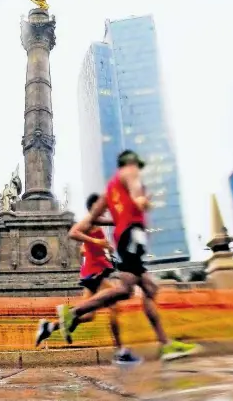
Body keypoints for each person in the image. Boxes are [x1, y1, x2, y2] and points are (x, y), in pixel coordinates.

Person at [56, 150, 197, 362]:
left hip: (127, 236)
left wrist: (115, 221)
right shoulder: (129, 172)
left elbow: (86, 222)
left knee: (150, 288)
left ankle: (165, 344)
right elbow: (135, 190)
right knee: (124, 289)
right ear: (129, 164)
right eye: (135, 166)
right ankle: (73, 313)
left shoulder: (108, 193)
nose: (136, 170)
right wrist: (141, 200)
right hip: (132, 235)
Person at [35, 193, 141, 365]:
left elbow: (107, 227)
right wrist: (96, 243)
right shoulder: (90, 220)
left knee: (89, 314)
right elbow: (73, 232)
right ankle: (121, 351)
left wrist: (105, 247)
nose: (105, 209)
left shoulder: (96, 222)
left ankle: (50, 326)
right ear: (95, 207)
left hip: (94, 272)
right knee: (114, 308)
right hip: (95, 272)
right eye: (102, 206)